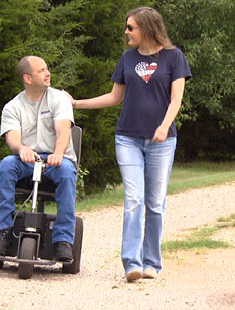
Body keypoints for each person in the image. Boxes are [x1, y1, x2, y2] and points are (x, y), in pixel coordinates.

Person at [67, 7, 191, 281]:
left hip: (162, 140)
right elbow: (114, 97)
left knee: (155, 203)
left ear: (146, 28)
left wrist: (162, 125)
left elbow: (176, 99)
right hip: (128, 137)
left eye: (130, 27)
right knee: (134, 199)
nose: (126, 32)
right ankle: (132, 264)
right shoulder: (127, 58)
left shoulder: (174, 57)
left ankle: (152, 264)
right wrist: (75, 103)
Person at [0, 56, 77, 263]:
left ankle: (63, 241)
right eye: (42, 71)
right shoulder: (13, 106)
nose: (48, 73)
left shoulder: (59, 99)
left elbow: (63, 131)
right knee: (6, 166)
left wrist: (58, 153)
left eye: (47, 69)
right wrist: (21, 149)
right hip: (27, 159)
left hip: (56, 159)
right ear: (27, 78)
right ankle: (1, 233)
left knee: (65, 172)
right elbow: (12, 138)